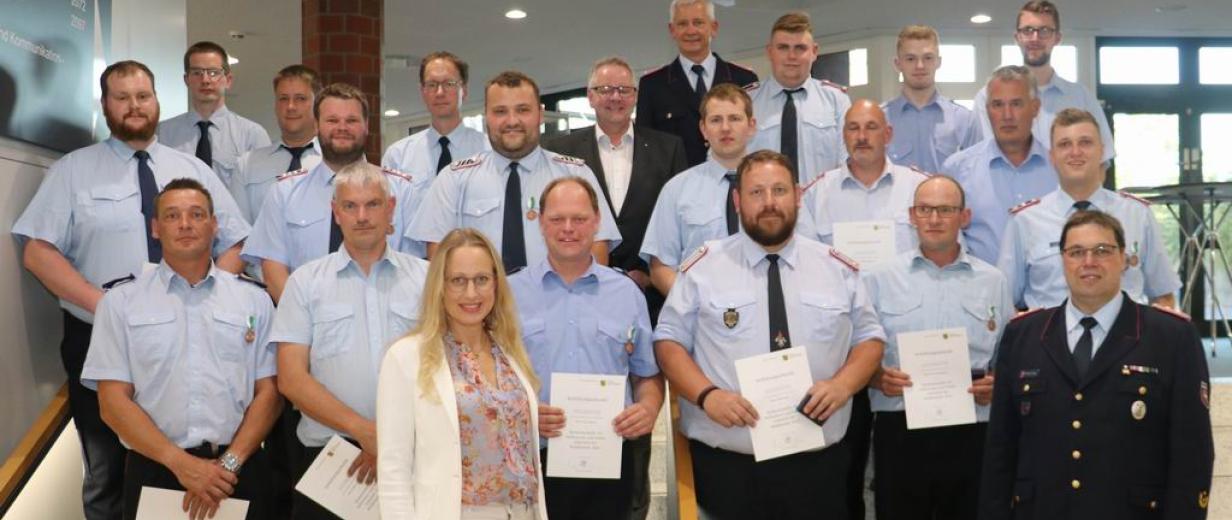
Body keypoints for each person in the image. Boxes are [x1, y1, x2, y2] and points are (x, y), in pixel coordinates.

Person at [11, 60, 249, 520]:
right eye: (122, 97)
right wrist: (107, 307)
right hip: (101, 338)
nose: (134, 106)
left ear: (157, 101)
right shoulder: (72, 171)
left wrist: (211, 293)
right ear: (105, 106)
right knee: (107, 472)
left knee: (190, 456)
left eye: (143, 96)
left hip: (187, 336)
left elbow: (236, 240)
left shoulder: (191, 169)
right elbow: (38, 253)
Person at [654, 150, 885, 519]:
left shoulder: (836, 267)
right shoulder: (702, 268)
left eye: (779, 190)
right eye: (756, 192)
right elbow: (668, 343)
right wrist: (706, 395)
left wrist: (843, 385)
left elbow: (870, 340)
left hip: (818, 469)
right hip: (728, 468)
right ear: (737, 200)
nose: (769, 203)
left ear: (797, 195)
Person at [980, 210, 1214, 519]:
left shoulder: (1171, 336)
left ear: (1124, 258)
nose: (1089, 261)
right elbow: (1001, 448)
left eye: (1102, 251)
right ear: (1063, 260)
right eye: (1076, 252)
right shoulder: (1023, 335)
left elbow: (1192, 453)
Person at [81, 179, 279, 520]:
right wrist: (182, 464)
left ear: (214, 225)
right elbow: (112, 403)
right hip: (156, 469)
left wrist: (227, 465)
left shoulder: (254, 300)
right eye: (172, 216)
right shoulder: (120, 303)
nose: (185, 224)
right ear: (156, 229)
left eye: (197, 214)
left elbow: (270, 392)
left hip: (237, 471)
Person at [272, 162, 429, 519]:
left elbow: (446, 368)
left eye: (373, 204)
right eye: (350, 206)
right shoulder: (305, 283)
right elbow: (291, 379)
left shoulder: (427, 279)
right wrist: (364, 431)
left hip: (414, 452)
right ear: (335, 212)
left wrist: (387, 438)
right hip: (329, 461)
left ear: (391, 208)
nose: (362, 216)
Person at [508, 177, 662, 520]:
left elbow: (646, 374)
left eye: (579, 219)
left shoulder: (627, 293)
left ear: (596, 222)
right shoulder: (508, 293)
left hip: (609, 461)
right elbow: (488, 380)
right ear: (539, 222)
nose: (568, 229)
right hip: (530, 458)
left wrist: (649, 408)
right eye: (557, 219)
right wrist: (523, 410)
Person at [863, 175, 1014, 520]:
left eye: (945, 210)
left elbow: (1008, 357)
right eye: (925, 209)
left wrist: (997, 383)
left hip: (972, 431)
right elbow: (858, 353)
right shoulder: (878, 279)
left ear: (965, 216)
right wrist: (875, 378)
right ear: (911, 215)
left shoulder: (993, 281)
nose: (934, 219)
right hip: (900, 429)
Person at [377, 228, 549, 520]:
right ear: (439, 286)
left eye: (482, 279)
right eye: (458, 281)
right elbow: (394, 470)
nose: (471, 293)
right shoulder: (406, 357)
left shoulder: (510, 352)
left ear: (496, 283)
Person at [408, 70, 620, 271]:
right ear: (486, 118)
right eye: (500, 111)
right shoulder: (454, 178)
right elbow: (438, 253)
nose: (512, 121)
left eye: (523, 110)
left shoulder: (576, 175)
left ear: (540, 114)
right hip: (479, 306)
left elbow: (597, 247)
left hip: (560, 305)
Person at [242, 82, 422, 302]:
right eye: (332, 120)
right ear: (316, 125)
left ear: (366, 126)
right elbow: (273, 267)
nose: (342, 128)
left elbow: (415, 270)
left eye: (352, 120)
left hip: (387, 326)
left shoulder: (401, 190)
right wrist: (303, 322)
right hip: (310, 326)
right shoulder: (284, 192)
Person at [543, 56, 688, 320]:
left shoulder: (668, 148)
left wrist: (650, 276)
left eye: (624, 90)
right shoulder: (560, 151)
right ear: (590, 96)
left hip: (652, 295)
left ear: (635, 97)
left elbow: (677, 222)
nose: (615, 97)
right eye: (605, 89)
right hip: (581, 293)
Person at [998, 108, 1179, 311]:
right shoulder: (1025, 221)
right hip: (1051, 339)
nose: (1075, 152)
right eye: (1065, 144)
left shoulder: (1137, 214)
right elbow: (1004, 302)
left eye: (1085, 142)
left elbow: (1164, 296)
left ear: (1101, 151)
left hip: (1126, 339)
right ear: (1052, 156)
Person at [640, 83, 757, 297]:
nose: (725, 128)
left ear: (751, 125)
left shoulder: (774, 186)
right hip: (699, 318)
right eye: (715, 120)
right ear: (703, 129)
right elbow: (660, 269)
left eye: (734, 118)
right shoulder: (677, 190)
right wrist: (694, 308)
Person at [973, 1, 1115, 163]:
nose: (1035, 38)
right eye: (1027, 30)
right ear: (1017, 37)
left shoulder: (1081, 98)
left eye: (1044, 31)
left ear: (1057, 38)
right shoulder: (988, 97)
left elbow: (1102, 160)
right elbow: (984, 159)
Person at [942, 65, 1057, 264]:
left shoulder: (1059, 169)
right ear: (987, 110)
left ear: (1035, 108)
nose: (1007, 115)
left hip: (1046, 293)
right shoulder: (957, 170)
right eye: (997, 105)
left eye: (1016, 104)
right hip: (980, 291)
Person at [797, 99, 932, 259]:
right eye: (853, 128)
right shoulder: (815, 196)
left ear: (887, 135)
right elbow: (806, 260)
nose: (862, 136)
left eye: (871, 127)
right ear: (844, 136)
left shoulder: (920, 188)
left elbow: (945, 253)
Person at [636, 0, 758, 167]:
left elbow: (756, 140)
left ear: (714, 27)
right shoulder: (652, 85)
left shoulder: (744, 79)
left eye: (698, 22)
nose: (691, 30)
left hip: (735, 180)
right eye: (682, 24)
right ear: (672, 30)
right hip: (678, 186)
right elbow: (646, 149)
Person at [748, 11, 851, 184]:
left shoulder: (837, 101)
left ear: (814, 51)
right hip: (763, 207)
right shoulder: (747, 103)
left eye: (800, 48)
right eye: (783, 48)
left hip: (821, 206)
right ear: (769, 52)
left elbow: (847, 164)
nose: (791, 56)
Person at [382, 52, 488, 207]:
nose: (439, 93)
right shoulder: (398, 156)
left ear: (463, 91)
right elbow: (389, 215)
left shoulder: (487, 151)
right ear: (423, 92)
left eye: (449, 84)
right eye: (432, 85)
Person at [158, 41, 271, 184]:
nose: (205, 80)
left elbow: (264, 190)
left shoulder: (252, 135)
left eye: (213, 73)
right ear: (186, 80)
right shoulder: (163, 133)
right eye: (197, 73)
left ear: (228, 80)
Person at [229, 65, 323, 224]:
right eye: (283, 98)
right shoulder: (247, 165)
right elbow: (239, 231)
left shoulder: (338, 162)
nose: (291, 107)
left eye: (300, 98)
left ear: (318, 104)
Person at [883, 25, 982, 174]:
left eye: (928, 58)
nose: (920, 66)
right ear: (898, 64)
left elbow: (977, 174)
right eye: (910, 59)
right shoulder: (880, 120)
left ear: (938, 62)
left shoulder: (964, 120)